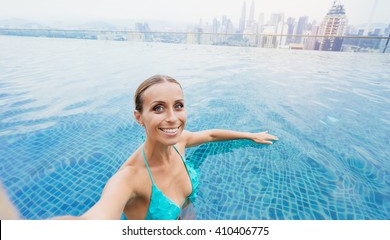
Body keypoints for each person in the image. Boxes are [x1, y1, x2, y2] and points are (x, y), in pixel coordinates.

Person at [2, 75, 278, 220]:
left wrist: (249, 134)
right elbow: (93, 222)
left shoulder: (180, 141)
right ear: (139, 117)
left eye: (178, 106)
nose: (172, 118)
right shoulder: (129, 179)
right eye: (158, 108)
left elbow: (210, 134)